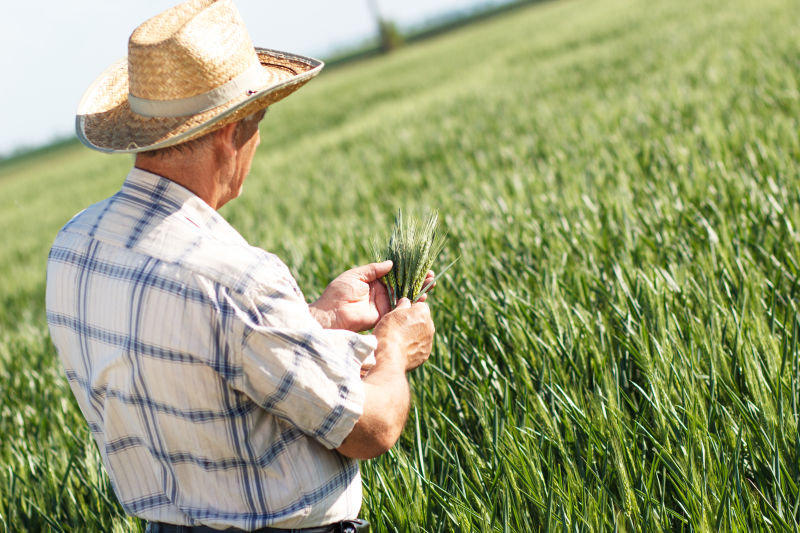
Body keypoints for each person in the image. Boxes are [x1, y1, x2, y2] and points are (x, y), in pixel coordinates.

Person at [45, 1, 435, 532]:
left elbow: (203, 359)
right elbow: (372, 428)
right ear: (232, 132)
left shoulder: (73, 246)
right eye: (258, 123)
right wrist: (394, 348)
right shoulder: (236, 280)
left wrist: (317, 320)